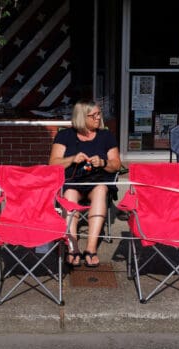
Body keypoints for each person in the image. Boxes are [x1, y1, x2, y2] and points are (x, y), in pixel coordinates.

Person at [49, 99, 121, 267]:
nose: (98, 118)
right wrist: (72, 159)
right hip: (73, 182)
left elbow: (117, 164)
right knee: (69, 195)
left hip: (98, 181)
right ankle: (73, 248)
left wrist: (103, 163)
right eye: (93, 115)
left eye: (99, 114)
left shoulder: (106, 136)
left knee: (101, 190)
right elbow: (52, 163)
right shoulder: (65, 136)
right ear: (82, 117)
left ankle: (91, 248)